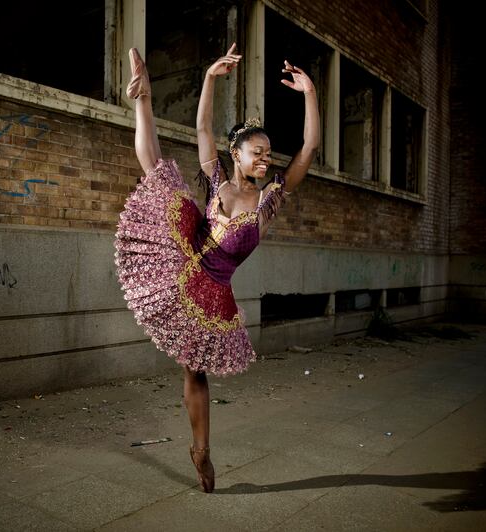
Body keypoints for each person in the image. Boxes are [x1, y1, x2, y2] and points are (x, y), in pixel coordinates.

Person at [114, 44, 319, 493]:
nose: (266, 159)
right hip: (185, 256)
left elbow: (309, 148)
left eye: (268, 153)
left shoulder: (269, 201)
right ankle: (143, 98)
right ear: (237, 154)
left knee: (195, 369)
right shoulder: (217, 183)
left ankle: (200, 449)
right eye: (257, 152)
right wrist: (209, 76)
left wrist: (309, 93)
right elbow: (202, 126)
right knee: (157, 172)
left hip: (215, 289)